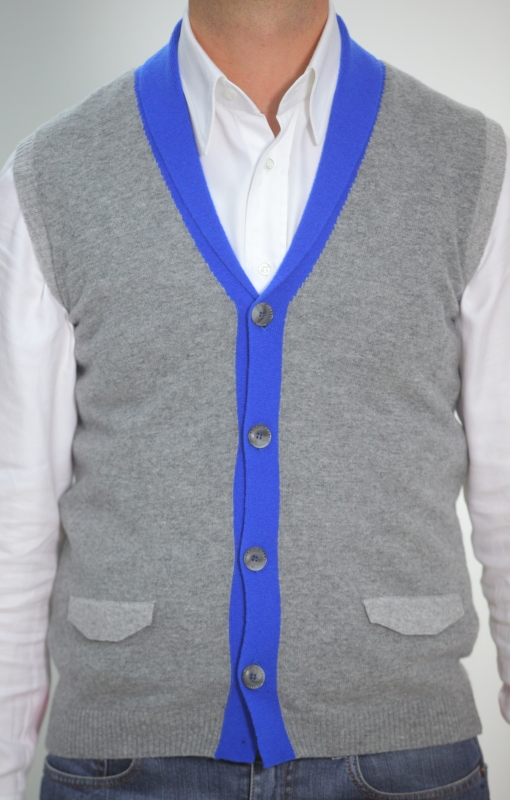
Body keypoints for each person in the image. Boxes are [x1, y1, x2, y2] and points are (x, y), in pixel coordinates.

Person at [0, 0, 509, 797]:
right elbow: (14, 509)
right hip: (123, 761)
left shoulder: (467, 162)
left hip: (404, 754)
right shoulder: (54, 173)